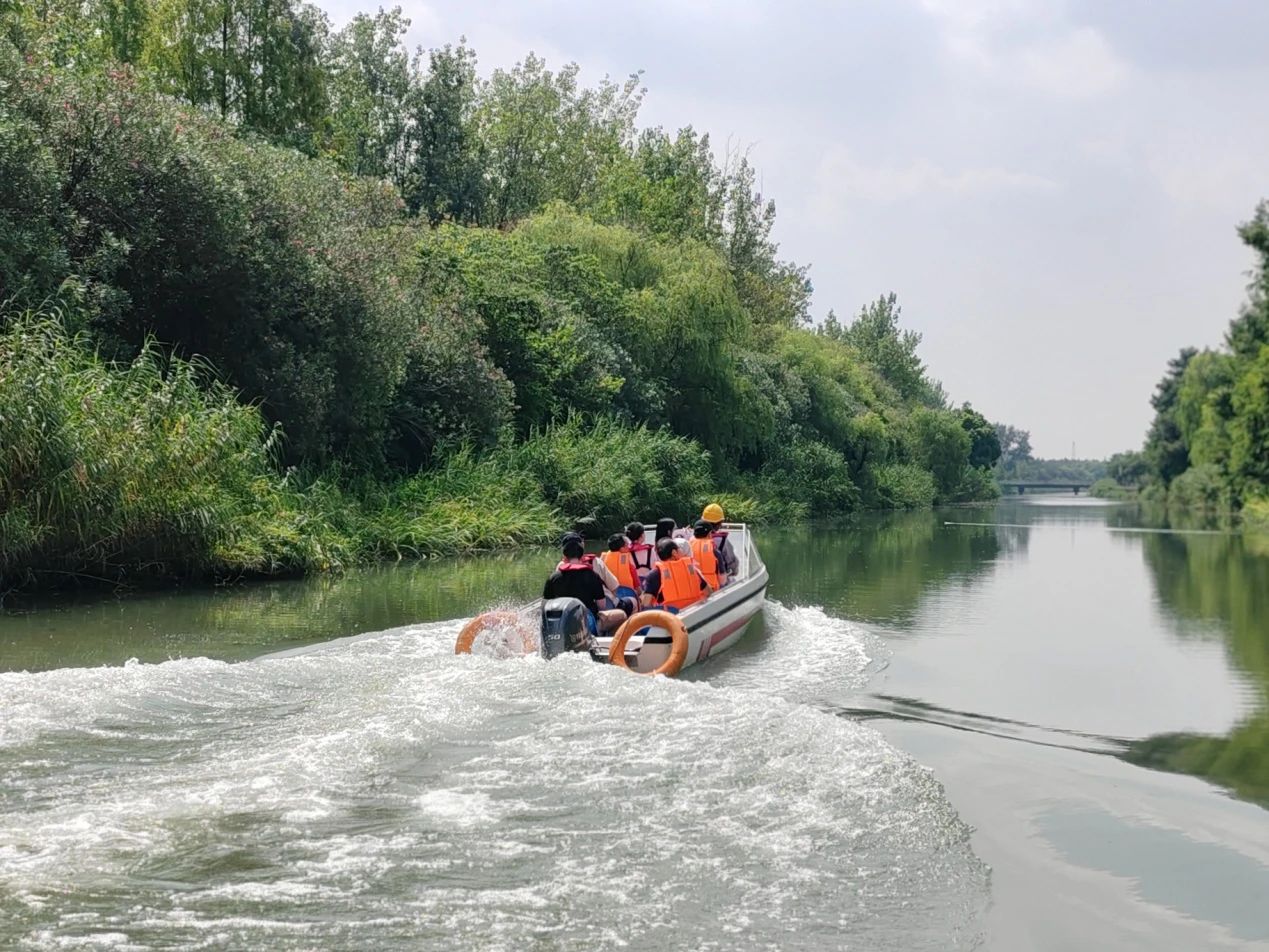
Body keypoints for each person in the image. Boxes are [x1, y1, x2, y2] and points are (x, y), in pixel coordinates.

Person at [542, 533, 630, 633]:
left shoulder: (554, 577)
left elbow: (545, 604)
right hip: (587, 621)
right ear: (581, 555)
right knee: (621, 615)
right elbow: (602, 605)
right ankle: (608, 639)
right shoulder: (592, 574)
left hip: (563, 623)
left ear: (564, 556)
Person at [641, 537, 712, 612]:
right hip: (694, 612)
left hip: (671, 617)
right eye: (679, 549)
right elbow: (708, 592)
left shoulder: (653, 575)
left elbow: (646, 604)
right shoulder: (691, 569)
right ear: (674, 552)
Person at [699, 502, 739, 584]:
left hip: (699, 582)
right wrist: (735, 571)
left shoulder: (692, 539)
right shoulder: (722, 541)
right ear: (719, 523)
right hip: (718, 583)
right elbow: (732, 563)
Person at [689, 519, 726, 589]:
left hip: (694, 589)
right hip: (712, 590)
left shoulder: (687, 548)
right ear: (709, 534)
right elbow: (722, 580)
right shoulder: (715, 551)